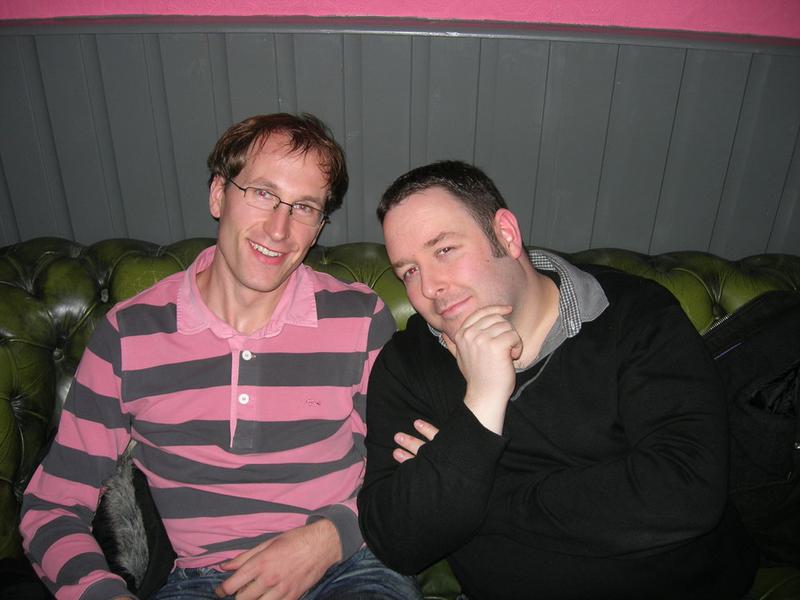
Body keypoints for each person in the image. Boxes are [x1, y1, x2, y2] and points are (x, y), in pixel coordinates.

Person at [20, 113, 421, 600]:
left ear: (318, 227)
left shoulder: (358, 319)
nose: (279, 229)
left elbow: (405, 472)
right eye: (263, 194)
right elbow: (53, 505)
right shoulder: (130, 334)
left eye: (304, 207)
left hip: (349, 566)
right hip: (204, 582)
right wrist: (100, 592)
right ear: (218, 195)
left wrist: (332, 537)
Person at [357, 160, 759, 600]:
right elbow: (397, 541)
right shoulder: (408, 364)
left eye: (445, 250)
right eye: (408, 271)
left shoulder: (632, 313)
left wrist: (469, 487)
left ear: (506, 234)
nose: (428, 287)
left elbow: (686, 490)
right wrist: (483, 398)